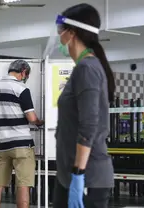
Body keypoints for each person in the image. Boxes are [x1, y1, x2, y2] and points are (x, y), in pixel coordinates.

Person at [53, 3, 116, 208]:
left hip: (87, 176)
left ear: (71, 33)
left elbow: (88, 126)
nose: (59, 37)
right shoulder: (84, 67)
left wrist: (78, 175)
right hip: (68, 175)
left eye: (60, 31)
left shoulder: (87, 69)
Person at [0, 60, 44, 208]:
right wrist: (40, 122)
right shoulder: (21, 89)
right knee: (23, 185)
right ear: (23, 72)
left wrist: (3, 120)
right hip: (22, 145)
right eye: (26, 75)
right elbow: (32, 118)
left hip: (2, 145)